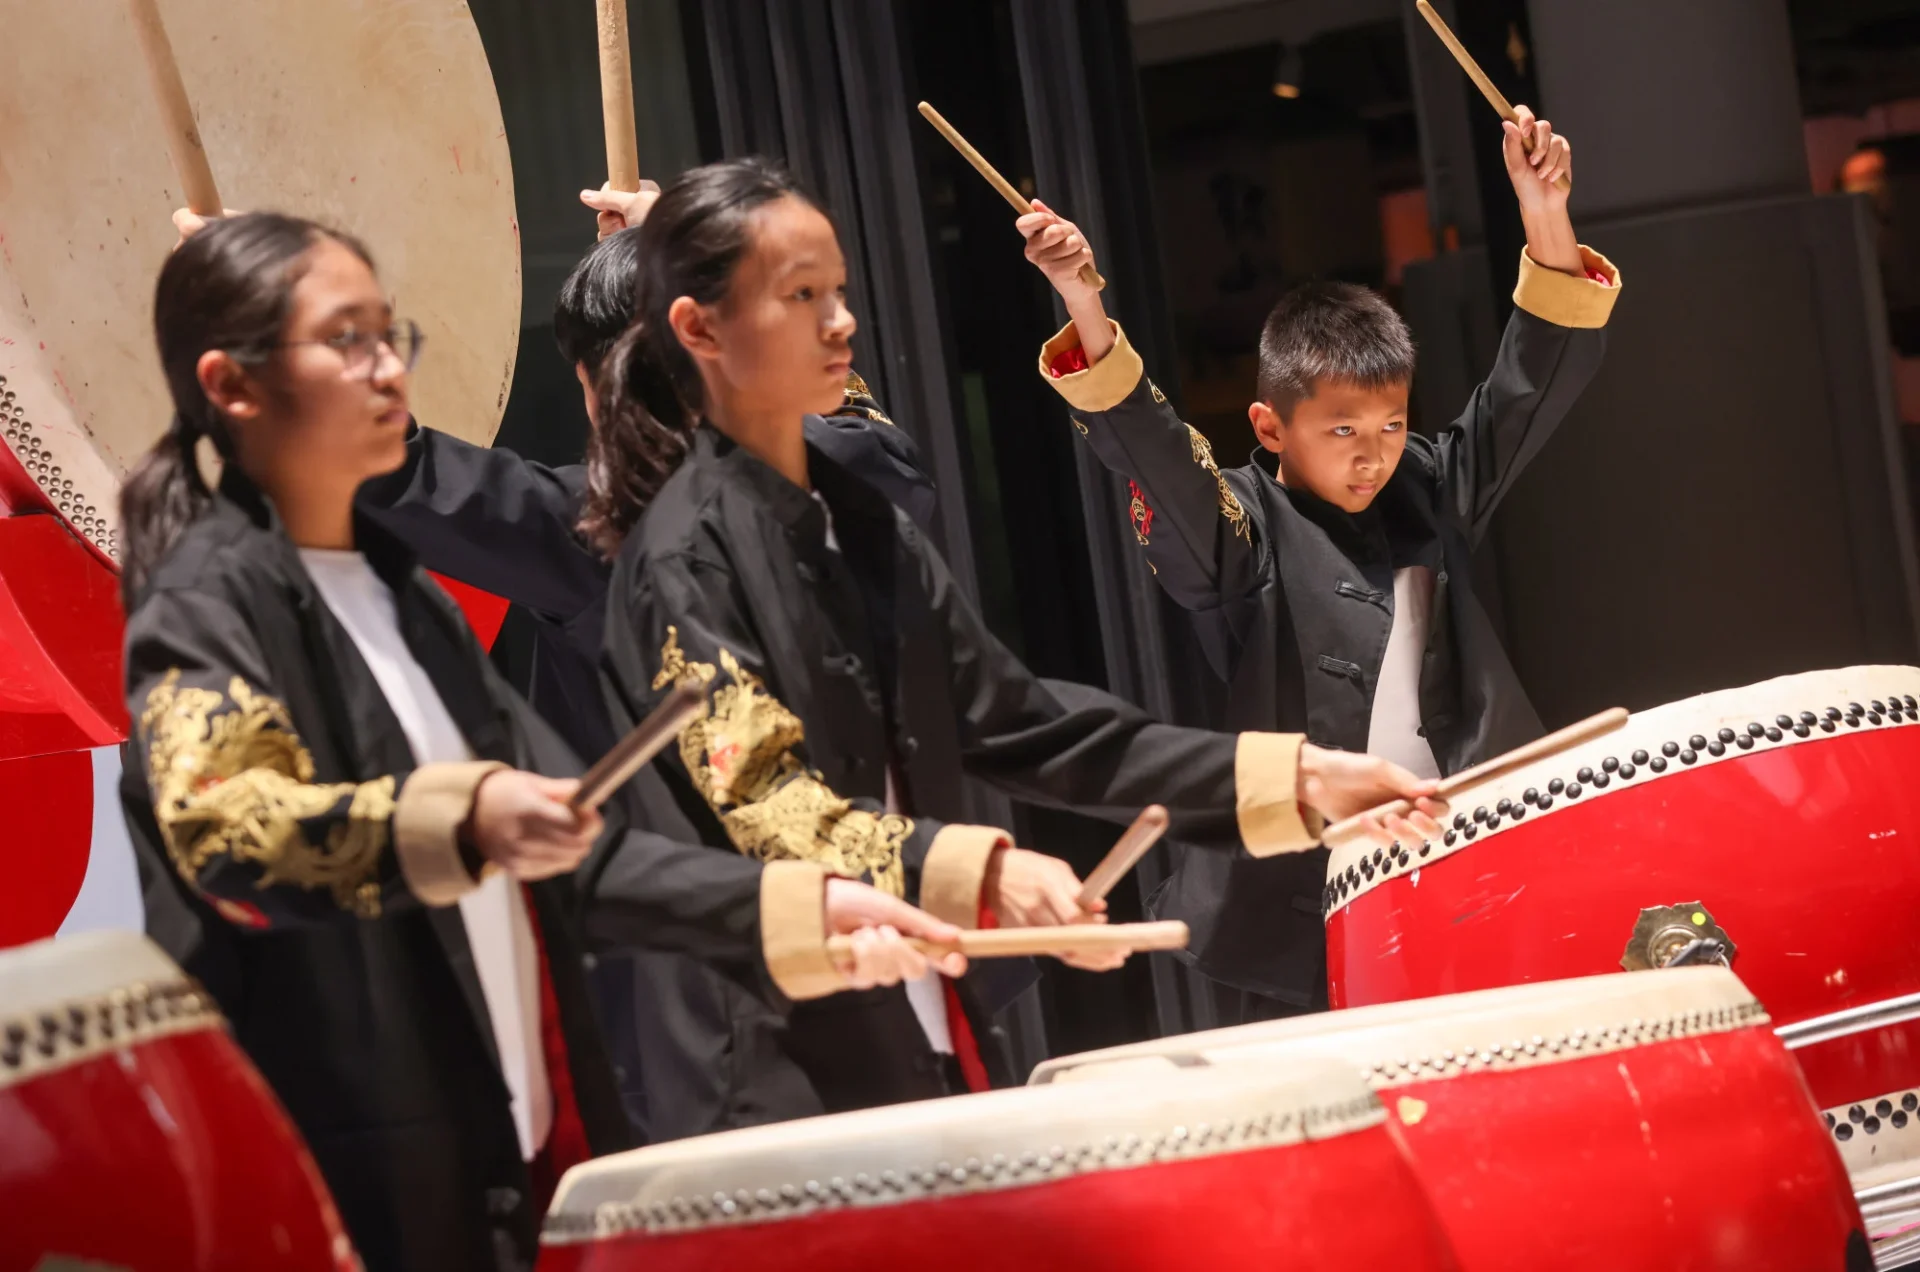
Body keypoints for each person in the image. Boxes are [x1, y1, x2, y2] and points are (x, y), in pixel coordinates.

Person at [118, 211, 969, 1271]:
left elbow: (587, 847)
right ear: (233, 386)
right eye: (349, 341)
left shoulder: (405, 601)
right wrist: (462, 815)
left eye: (394, 337)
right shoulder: (209, 598)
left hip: (504, 1160)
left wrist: (808, 905)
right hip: (344, 1184)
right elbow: (227, 829)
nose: (390, 369)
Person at [590, 158, 1452, 1125]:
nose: (839, 322)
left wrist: (1293, 779)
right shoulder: (680, 557)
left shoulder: (866, 526)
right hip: (758, 1059)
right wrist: (986, 873)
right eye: (800, 297)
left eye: (837, 292)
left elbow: (1027, 724)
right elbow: (764, 805)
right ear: (699, 330)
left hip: (921, 1010)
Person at [1017, 106, 1622, 1022]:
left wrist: (1545, 211)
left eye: (1389, 426)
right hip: (1309, 904)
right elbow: (1159, 461)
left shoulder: (1428, 483)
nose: (1372, 454)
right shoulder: (1243, 526)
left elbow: (1525, 387)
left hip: (1472, 851)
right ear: (1270, 427)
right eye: (1341, 431)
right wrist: (1084, 303)